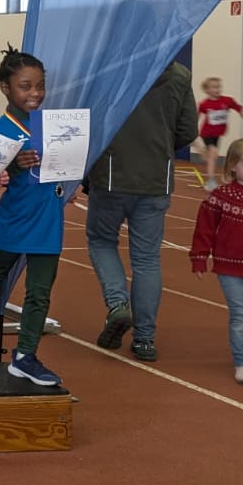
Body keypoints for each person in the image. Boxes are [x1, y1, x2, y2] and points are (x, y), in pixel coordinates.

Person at [0, 47, 71, 387]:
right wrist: (12, 164)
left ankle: (25, 356)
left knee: (40, 292)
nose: (35, 94)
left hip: (49, 219)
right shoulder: (0, 130)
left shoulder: (52, 125)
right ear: (5, 88)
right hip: (16, 219)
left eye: (40, 86)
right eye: (25, 86)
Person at [86, 59, 198, 363]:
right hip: (155, 178)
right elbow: (188, 130)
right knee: (147, 259)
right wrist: (159, 143)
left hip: (111, 175)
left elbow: (90, 119)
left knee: (101, 241)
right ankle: (145, 339)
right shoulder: (179, 75)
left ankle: (118, 304)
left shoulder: (111, 68)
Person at [191, 136, 243, 384]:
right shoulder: (222, 196)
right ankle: (242, 361)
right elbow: (205, 228)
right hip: (230, 267)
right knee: (242, 313)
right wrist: (200, 257)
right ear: (233, 166)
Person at [197, 76, 243, 189]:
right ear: (207, 90)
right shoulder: (204, 104)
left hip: (218, 134)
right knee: (213, 154)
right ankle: (210, 181)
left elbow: (240, 110)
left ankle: (205, 153)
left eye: (218, 87)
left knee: (212, 155)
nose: (217, 89)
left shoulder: (227, 101)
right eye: (213, 87)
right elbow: (196, 117)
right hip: (207, 133)